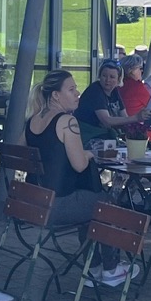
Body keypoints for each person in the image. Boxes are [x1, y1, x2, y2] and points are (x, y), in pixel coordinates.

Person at [25, 70, 133, 286]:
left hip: (35, 203)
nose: (78, 94)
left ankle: (93, 268)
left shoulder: (32, 120)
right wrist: (92, 153)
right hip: (59, 205)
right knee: (107, 204)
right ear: (56, 95)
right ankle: (110, 269)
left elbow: (26, 151)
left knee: (91, 201)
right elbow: (80, 164)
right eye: (71, 89)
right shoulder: (67, 122)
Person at [76, 60, 141, 146]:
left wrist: (138, 133)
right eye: (104, 76)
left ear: (118, 80)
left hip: (104, 136)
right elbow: (106, 120)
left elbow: (124, 117)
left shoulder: (115, 91)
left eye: (112, 77)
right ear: (99, 76)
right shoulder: (95, 91)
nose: (107, 80)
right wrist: (136, 118)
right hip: (88, 137)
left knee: (131, 147)